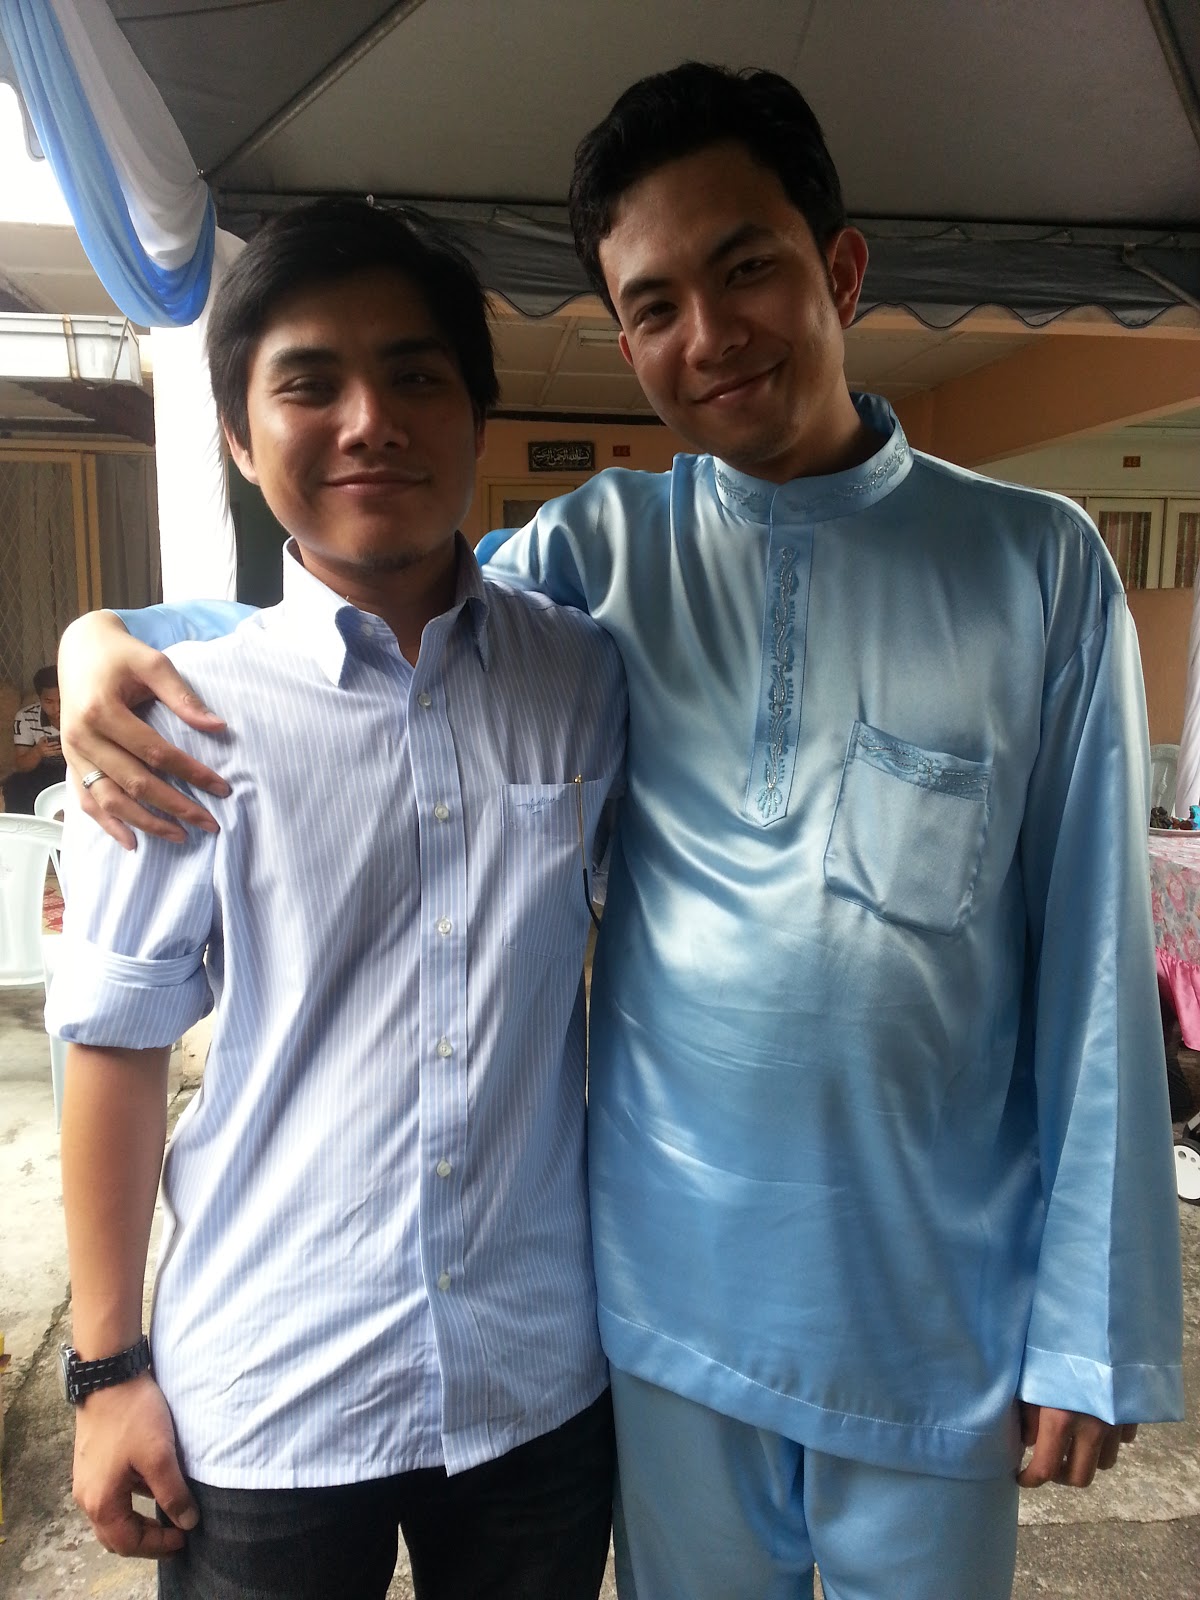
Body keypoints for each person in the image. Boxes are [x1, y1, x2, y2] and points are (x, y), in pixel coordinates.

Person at [58, 63, 1183, 1600]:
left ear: (842, 270)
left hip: (936, 1309)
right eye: (653, 306)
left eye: (746, 270)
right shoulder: (606, 554)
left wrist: (1091, 1326)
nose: (707, 336)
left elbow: (1099, 976)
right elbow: (367, 597)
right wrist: (100, 637)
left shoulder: (1036, 567)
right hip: (661, 1317)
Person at [47, 199, 625, 1600]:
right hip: (271, 1397)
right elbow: (115, 1042)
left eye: (416, 374)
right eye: (309, 383)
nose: (371, 421)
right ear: (242, 440)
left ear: (476, 417)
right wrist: (107, 1370)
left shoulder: (583, 679)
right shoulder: (177, 717)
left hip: (536, 1385)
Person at [3, 663, 66, 812]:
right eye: (49, 702)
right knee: (14, 784)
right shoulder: (26, 716)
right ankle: (25, 825)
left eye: (61, 701)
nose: (56, 708)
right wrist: (38, 752)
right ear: (40, 699)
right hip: (44, 770)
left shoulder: (80, 712)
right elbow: (20, 765)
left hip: (76, 767)